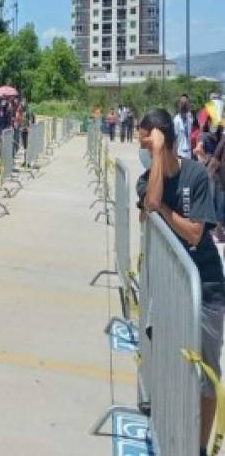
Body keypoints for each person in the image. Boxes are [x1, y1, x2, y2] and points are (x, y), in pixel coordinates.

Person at [136, 108, 223, 450]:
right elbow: (152, 201)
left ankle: (200, 448)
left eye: (146, 140)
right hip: (174, 289)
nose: (142, 146)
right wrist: (157, 158)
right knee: (171, 365)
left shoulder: (196, 175)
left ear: (162, 139)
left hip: (206, 289)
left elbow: (195, 232)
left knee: (204, 374)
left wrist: (163, 213)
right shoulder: (148, 179)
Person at [174, 95, 194, 159]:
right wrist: (175, 154)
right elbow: (175, 138)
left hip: (188, 152)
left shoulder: (190, 119)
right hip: (180, 153)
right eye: (183, 104)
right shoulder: (176, 120)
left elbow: (190, 135)